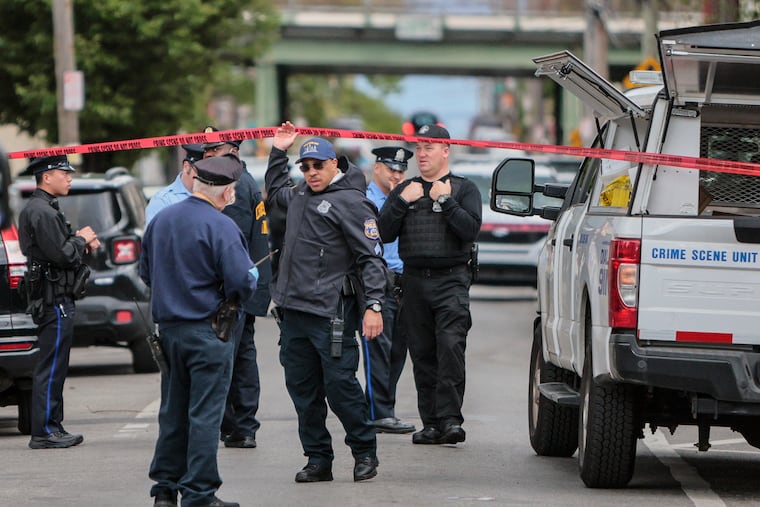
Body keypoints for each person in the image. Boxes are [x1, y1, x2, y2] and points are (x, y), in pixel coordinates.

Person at [265, 121, 385, 483]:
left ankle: (364, 451)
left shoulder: (351, 202)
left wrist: (374, 305)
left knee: (340, 387)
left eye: (318, 165)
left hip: (330, 314)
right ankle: (318, 459)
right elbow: (273, 193)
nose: (312, 172)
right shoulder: (300, 195)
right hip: (294, 313)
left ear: (335, 164)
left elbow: (371, 258)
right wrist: (278, 150)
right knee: (303, 391)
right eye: (306, 166)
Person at [141, 154, 258, 507]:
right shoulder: (221, 226)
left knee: (173, 412)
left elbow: (147, 274)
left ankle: (165, 488)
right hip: (209, 332)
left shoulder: (161, 220)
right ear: (226, 193)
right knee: (205, 415)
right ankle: (199, 494)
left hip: (170, 332)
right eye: (233, 190)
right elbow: (241, 281)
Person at [378, 124, 482, 446]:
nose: (422, 154)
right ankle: (432, 423)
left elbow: (470, 231)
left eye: (429, 148)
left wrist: (447, 201)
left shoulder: (464, 189)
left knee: (450, 348)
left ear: (446, 150)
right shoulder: (405, 189)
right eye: (419, 149)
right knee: (422, 354)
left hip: (450, 280)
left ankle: (451, 420)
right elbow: (382, 233)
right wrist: (400, 202)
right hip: (413, 281)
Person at [17, 155, 101, 449]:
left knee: (56, 365)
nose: (69, 178)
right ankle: (44, 431)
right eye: (63, 173)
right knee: (51, 367)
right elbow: (63, 254)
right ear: (46, 176)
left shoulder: (44, 208)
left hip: (56, 297)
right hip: (53, 299)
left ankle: (53, 425)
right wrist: (82, 239)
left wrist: (78, 241)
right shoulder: (42, 211)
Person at [200, 127, 272, 450]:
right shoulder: (245, 181)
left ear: (229, 149)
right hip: (243, 286)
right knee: (241, 354)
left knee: (231, 356)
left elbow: (230, 240)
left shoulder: (233, 183)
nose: (207, 155)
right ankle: (241, 425)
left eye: (213, 149)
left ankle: (239, 425)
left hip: (230, 289)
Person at [363, 146, 416, 434]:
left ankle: (384, 408)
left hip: (403, 284)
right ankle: (378, 412)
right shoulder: (365, 201)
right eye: (391, 169)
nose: (396, 175)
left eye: (401, 170)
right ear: (377, 169)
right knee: (378, 352)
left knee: (397, 352)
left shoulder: (406, 200)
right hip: (377, 284)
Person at [145, 144, 205, 225]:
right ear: (186, 167)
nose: (205, 175)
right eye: (201, 170)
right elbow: (155, 236)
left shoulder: (216, 196)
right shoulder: (163, 201)